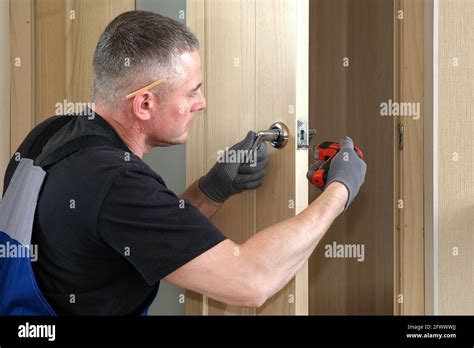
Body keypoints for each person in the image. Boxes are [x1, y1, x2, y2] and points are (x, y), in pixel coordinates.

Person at [2, 10, 366, 315]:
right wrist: (339, 190)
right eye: (191, 92)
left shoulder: (52, 133)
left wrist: (211, 189)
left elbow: (133, 230)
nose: (202, 102)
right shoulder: (116, 182)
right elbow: (252, 281)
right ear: (143, 104)